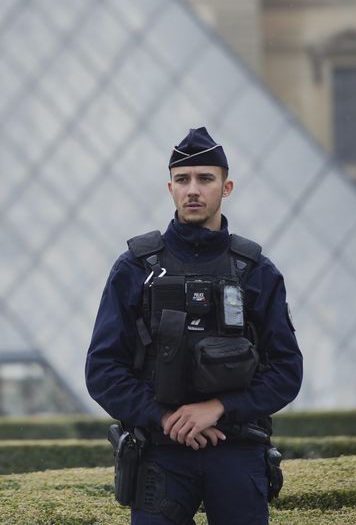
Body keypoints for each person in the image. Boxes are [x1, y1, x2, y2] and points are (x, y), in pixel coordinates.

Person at [86, 127, 302, 524]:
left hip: (237, 452)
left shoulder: (256, 271)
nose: (193, 190)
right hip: (160, 455)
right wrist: (166, 418)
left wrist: (218, 408)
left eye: (206, 179)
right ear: (170, 187)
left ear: (227, 186)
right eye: (183, 180)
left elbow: (287, 371)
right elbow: (102, 371)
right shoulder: (135, 267)